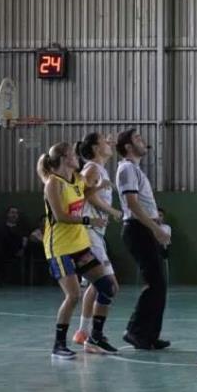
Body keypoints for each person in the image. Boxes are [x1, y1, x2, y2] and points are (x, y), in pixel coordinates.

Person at [37, 142, 118, 358]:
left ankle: (94, 337)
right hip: (60, 247)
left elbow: (84, 193)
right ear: (64, 158)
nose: (77, 158)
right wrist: (89, 219)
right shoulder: (53, 184)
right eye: (73, 155)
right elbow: (60, 216)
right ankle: (59, 345)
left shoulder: (77, 179)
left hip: (80, 245)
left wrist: (100, 185)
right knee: (73, 295)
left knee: (107, 287)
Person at [115, 129, 171, 350]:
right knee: (155, 283)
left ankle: (149, 335)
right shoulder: (127, 168)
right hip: (138, 229)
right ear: (128, 147)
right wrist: (154, 228)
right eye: (137, 139)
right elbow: (132, 204)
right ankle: (135, 331)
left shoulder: (135, 169)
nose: (143, 141)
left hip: (145, 228)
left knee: (159, 285)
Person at [72, 133, 123, 346]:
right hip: (89, 233)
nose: (109, 142)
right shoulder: (92, 168)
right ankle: (95, 337)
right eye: (104, 140)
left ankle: (84, 332)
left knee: (97, 284)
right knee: (109, 286)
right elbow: (85, 194)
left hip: (96, 234)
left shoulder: (98, 169)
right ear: (94, 148)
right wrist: (112, 211)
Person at [0, 206, 28, 283]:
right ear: (7, 214)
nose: (14, 215)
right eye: (12, 212)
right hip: (1, 252)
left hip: (17, 251)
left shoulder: (21, 228)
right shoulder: (0, 228)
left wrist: (22, 249)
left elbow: (24, 240)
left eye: (16, 213)